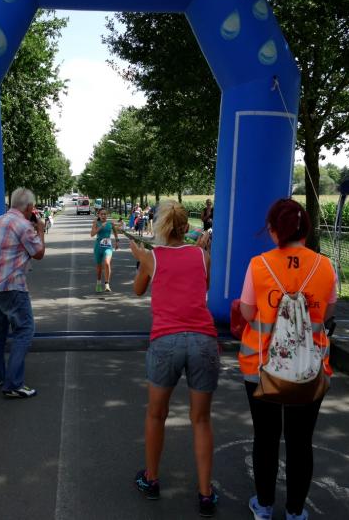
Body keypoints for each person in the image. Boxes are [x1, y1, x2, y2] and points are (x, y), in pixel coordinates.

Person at [238, 198, 337, 520]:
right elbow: (328, 313)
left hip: (260, 365)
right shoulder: (325, 266)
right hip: (310, 367)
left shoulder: (259, 265)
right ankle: (295, 511)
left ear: (273, 230)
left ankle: (264, 505)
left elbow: (248, 312)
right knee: (301, 442)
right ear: (305, 229)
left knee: (265, 438)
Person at [129, 200, 220, 518]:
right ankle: (205, 494)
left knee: (156, 414)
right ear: (185, 226)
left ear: (161, 226)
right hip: (204, 339)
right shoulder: (202, 255)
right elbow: (203, 285)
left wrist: (140, 260)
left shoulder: (152, 256)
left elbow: (138, 290)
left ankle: (151, 479)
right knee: (201, 419)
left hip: (166, 340)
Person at [0, 187, 45, 399]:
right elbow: (38, 253)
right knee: (24, 330)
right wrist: (41, 229)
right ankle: (14, 384)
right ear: (30, 207)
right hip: (11, 285)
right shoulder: (23, 226)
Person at [91, 208, 119, 292]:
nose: (103, 216)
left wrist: (117, 241)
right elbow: (92, 234)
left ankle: (107, 284)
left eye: (105, 214)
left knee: (107, 262)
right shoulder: (96, 223)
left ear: (107, 215)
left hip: (108, 247)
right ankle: (98, 283)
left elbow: (115, 232)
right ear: (99, 215)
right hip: (98, 247)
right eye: (102, 214)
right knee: (99, 268)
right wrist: (100, 227)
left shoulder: (110, 223)